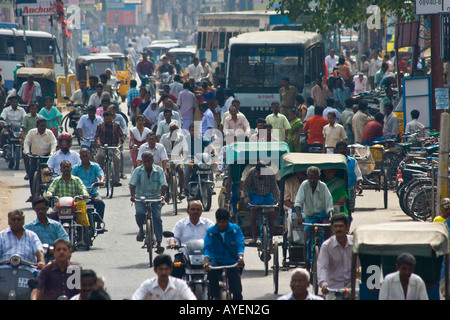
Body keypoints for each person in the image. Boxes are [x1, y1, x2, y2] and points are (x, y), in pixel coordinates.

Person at [294, 166, 334, 267]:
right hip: (310, 217)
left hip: (322, 215)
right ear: (307, 177)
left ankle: (327, 256)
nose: (312, 180)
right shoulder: (304, 185)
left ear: (318, 178)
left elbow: (329, 204)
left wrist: (330, 216)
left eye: (315, 178)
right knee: (306, 243)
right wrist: (299, 216)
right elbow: (298, 202)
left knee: (327, 234)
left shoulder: (323, 186)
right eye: (310, 178)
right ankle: (307, 266)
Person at [203, 208, 245, 300]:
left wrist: (240, 258)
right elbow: (207, 247)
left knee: (237, 289)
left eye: (224, 222)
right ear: (216, 220)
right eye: (219, 221)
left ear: (228, 220)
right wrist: (206, 261)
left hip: (232, 262)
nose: (221, 224)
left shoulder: (235, 229)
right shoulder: (210, 232)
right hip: (217, 261)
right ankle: (215, 297)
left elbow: (240, 244)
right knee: (211, 274)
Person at [129, 151, 167, 250]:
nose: (146, 163)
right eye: (145, 161)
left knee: (157, 219)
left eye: (148, 161)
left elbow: (163, 184)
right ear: (142, 161)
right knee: (140, 213)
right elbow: (132, 185)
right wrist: (133, 196)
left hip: (155, 198)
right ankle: (141, 230)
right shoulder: (138, 170)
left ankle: (159, 242)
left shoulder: (159, 170)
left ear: (152, 161)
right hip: (141, 198)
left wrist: (162, 196)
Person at [168, 200, 215, 278]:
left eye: (198, 209)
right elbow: (173, 237)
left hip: (205, 255)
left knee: (216, 269)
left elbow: (215, 236)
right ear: (188, 211)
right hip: (184, 255)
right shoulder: (181, 223)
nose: (195, 211)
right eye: (193, 209)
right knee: (175, 268)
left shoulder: (208, 223)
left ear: (201, 211)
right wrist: (172, 242)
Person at [317, 214, 357, 300]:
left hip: (353, 286)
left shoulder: (356, 243)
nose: (338, 229)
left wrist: (360, 270)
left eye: (341, 226)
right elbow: (322, 267)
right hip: (333, 287)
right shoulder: (326, 246)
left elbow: (363, 263)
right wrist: (324, 284)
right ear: (332, 228)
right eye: (336, 226)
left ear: (347, 226)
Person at [242, 162, 280, 246]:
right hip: (255, 195)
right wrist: (246, 198)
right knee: (253, 215)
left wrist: (276, 200)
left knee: (270, 217)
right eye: (259, 173)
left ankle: (270, 240)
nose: (261, 174)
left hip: (267, 196)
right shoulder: (251, 172)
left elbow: (274, 187)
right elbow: (246, 186)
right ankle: (254, 238)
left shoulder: (270, 172)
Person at [132, 254, 196, 300]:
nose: (163, 272)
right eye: (161, 269)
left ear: (170, 269)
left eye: (166, 269)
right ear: (155, 270)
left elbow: (191, 298)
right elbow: (137, 297)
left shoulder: (180, 285)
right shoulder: (148, 285)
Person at [0, 210, 45, 275]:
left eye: (19, 219)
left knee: (41, 280)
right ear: (8, 221)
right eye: (13, 219)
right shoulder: (1, 236)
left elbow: (39, 251)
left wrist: (41, 262)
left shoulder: (32, 236)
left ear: (23, 221)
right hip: (4, 272)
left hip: (28, 271)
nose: (16, 222)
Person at [72, 148, 106, 232]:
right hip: (80, 195)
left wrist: (101, 181)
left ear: (90, 156)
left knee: (100, 203)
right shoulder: (76, 168)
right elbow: (71, 178)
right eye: (83, 156)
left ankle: (98, 224)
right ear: (80, 157)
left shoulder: (95, 166)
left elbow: (101, 174)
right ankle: (75, 225)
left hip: (93, 193)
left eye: (86, 156)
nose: (85, 158)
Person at [23, 118, 57, 199]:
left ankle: (49, 192)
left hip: (46, 156)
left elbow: (54, 143)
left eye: (44, 126)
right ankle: (33, 194)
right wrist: (27, 152)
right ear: (37, 126)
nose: (43, 128)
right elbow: (27, 142)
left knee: (49, 175)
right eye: (41, 126)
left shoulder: (49, 133)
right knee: (31, 175)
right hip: (35, 156)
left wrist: (52, 153)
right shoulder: (31, 132)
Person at [94, 111, 125, 187]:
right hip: (103, 147)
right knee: (99, 157)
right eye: (106, 118)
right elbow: (96, 136)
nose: (108, 120)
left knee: (117, 159)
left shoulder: (116, 126)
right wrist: (98, 142)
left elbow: (122, 136)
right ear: (104, 119)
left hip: (114, 147)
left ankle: (116, 180)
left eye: (110, 118)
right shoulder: (100, 126)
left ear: (112, 118)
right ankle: (100, 179)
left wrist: (120, 143)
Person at [334, 141, 362, 221]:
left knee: (349, 210)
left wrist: (359, 185)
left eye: (344, 149)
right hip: (337, 190)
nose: (342, 150)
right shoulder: (333, 162)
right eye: (340, 149)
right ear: (337, 150)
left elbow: (358, 175)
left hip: (350, 189)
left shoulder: (353, 161)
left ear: (347, 149)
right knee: (337, 210)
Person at [159, 121, 188, 200]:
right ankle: (166, 193)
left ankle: (181, 191)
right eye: (171, 129)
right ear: (169, 129)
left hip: (177, 157)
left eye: (175, 129)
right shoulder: (164, 137)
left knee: (181, 171)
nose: (173, 131)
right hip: (167, 157)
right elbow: (161, 148)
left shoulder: (181, 137)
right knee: (166, 174)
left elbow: (185, 148)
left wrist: (184, 156)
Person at [21, 103, 44, 180]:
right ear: (29, 110)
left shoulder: (40, 117)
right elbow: (23, 128)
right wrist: (22, 136)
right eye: (32, 109)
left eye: (35, 109)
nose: (33, 110)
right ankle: (28, 172)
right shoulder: (26, 117)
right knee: (26, 156)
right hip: (28, 140)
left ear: (37, 109)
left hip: (38, 140)